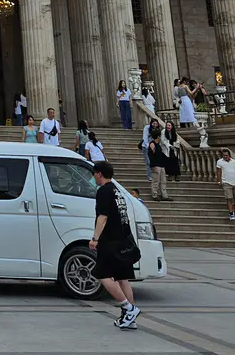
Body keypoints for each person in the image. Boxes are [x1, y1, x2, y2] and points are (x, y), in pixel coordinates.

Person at [89, 161, 141, 329]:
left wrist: (95, 238)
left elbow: (103, 217)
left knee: (103, 275)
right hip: (122, 239)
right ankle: (129, 319)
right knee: (122, 277)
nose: (93, 178)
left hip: (110, 240)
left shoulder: (103, 191)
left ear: (99, 174)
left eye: (94, 174)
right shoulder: (117, 191)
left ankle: (128, 308)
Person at [216, 149, 235, 220]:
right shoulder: (220, 162)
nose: (225, 157)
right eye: (224, 155)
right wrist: (218, 181)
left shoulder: (234, 161)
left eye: (226, 155)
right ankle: (231, 213)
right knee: (229, 198)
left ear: (229, 155)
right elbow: (218, 172)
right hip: (226, 182)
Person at [147, 130, 169, 201]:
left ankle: (164, 195)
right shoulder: (152, 144)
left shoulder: (158, 144)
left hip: (161, 164)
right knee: (156, 181)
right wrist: (153, 165)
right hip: (156, 165)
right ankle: (154, 195)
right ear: (158, 136)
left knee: (163, 181)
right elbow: (151, 155)